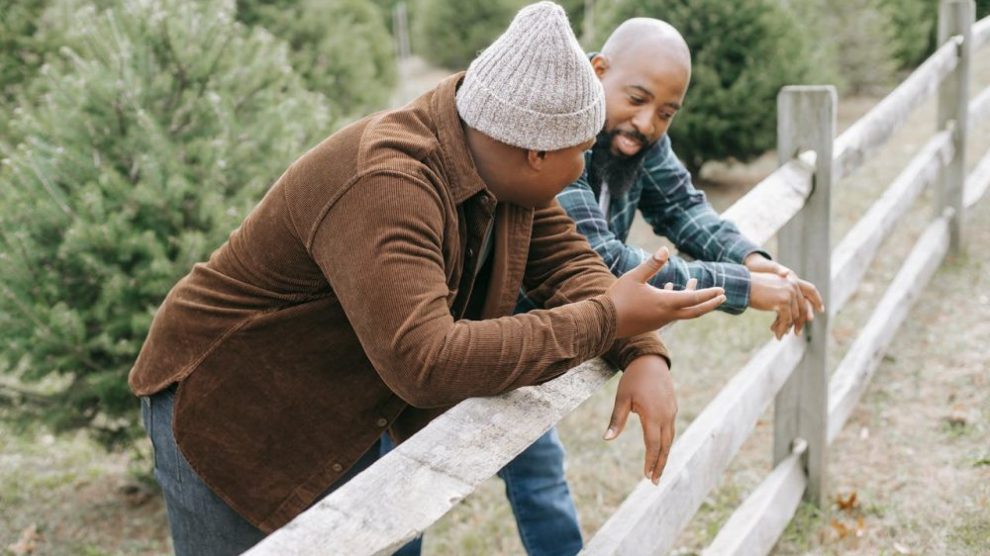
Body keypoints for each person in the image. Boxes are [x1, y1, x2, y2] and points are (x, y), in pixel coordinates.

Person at [128, 4, 727, 555]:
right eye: (583, 150)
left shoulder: (503, 159)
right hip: (234, 408)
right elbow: (426, 361)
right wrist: (607, 320)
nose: (585, 165)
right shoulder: (388, 181)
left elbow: (570, 267)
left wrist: (642, 350)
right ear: (538, 153)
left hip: (357, 404)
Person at [384, 18, 827, 556]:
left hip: (535, 349)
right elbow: (602, 259)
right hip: (463, 333)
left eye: (666, 112)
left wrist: (755, 260)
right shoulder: (555, 136)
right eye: (638, 99)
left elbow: (685, 209)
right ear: (598, 71)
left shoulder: (640, 141)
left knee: (542, 479)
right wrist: (741, 286)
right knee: (403, 494)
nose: (647, 123)